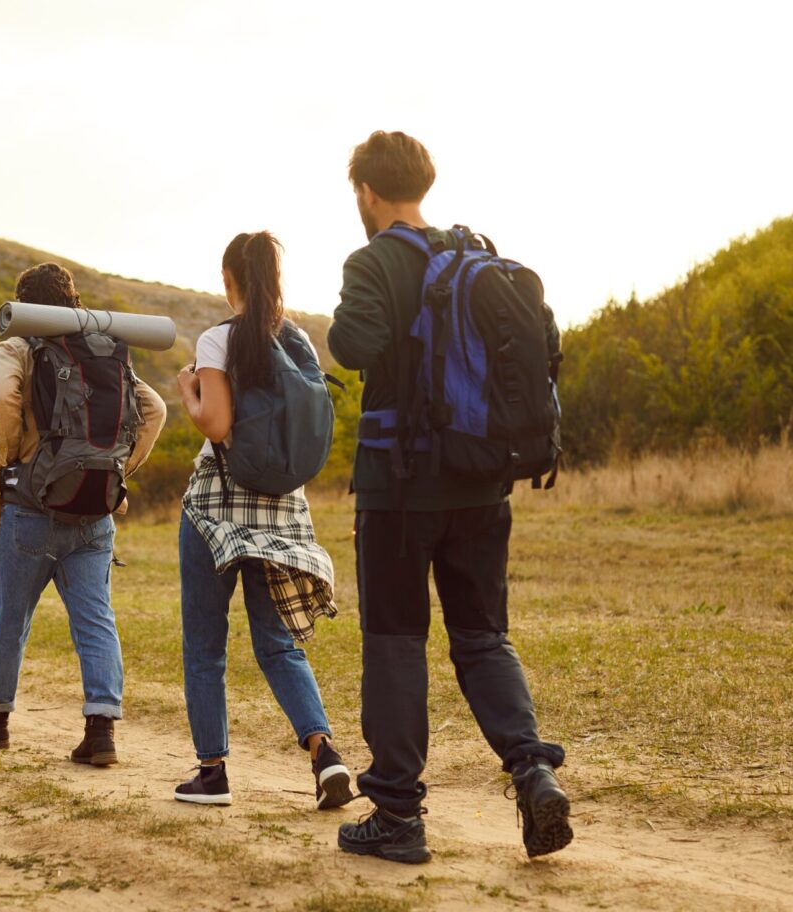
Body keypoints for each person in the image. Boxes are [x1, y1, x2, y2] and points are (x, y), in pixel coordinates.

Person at [328, 131, 571, 863]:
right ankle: (531, 771)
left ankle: (397, 816)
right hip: (480, 479)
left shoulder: (373, 261)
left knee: (396, 642)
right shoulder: (472, 256)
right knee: (482, 637)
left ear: (366, 193)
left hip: (400, 490)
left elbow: (351, 345)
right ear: (421, 186)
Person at [171, 232, 353, 811]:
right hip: (281, 506)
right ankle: (325, 754)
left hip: (217, 504)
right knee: (277, 644)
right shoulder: (298, 340)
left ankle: (213, 772)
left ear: (230, 283)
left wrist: (187, 393)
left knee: (206, 643)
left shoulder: (217, 339)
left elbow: (217, 425)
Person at [0, 263, 166, 763]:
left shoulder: (20, 345)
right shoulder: (104, 344)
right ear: (73, 299)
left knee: (10, 616)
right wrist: (117, 472)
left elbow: (1, 397)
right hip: (95, 513)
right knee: (96, 619)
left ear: (25, 303)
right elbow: (155, 408)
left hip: (32, 508)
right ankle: (101, 732)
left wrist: (10, 459)